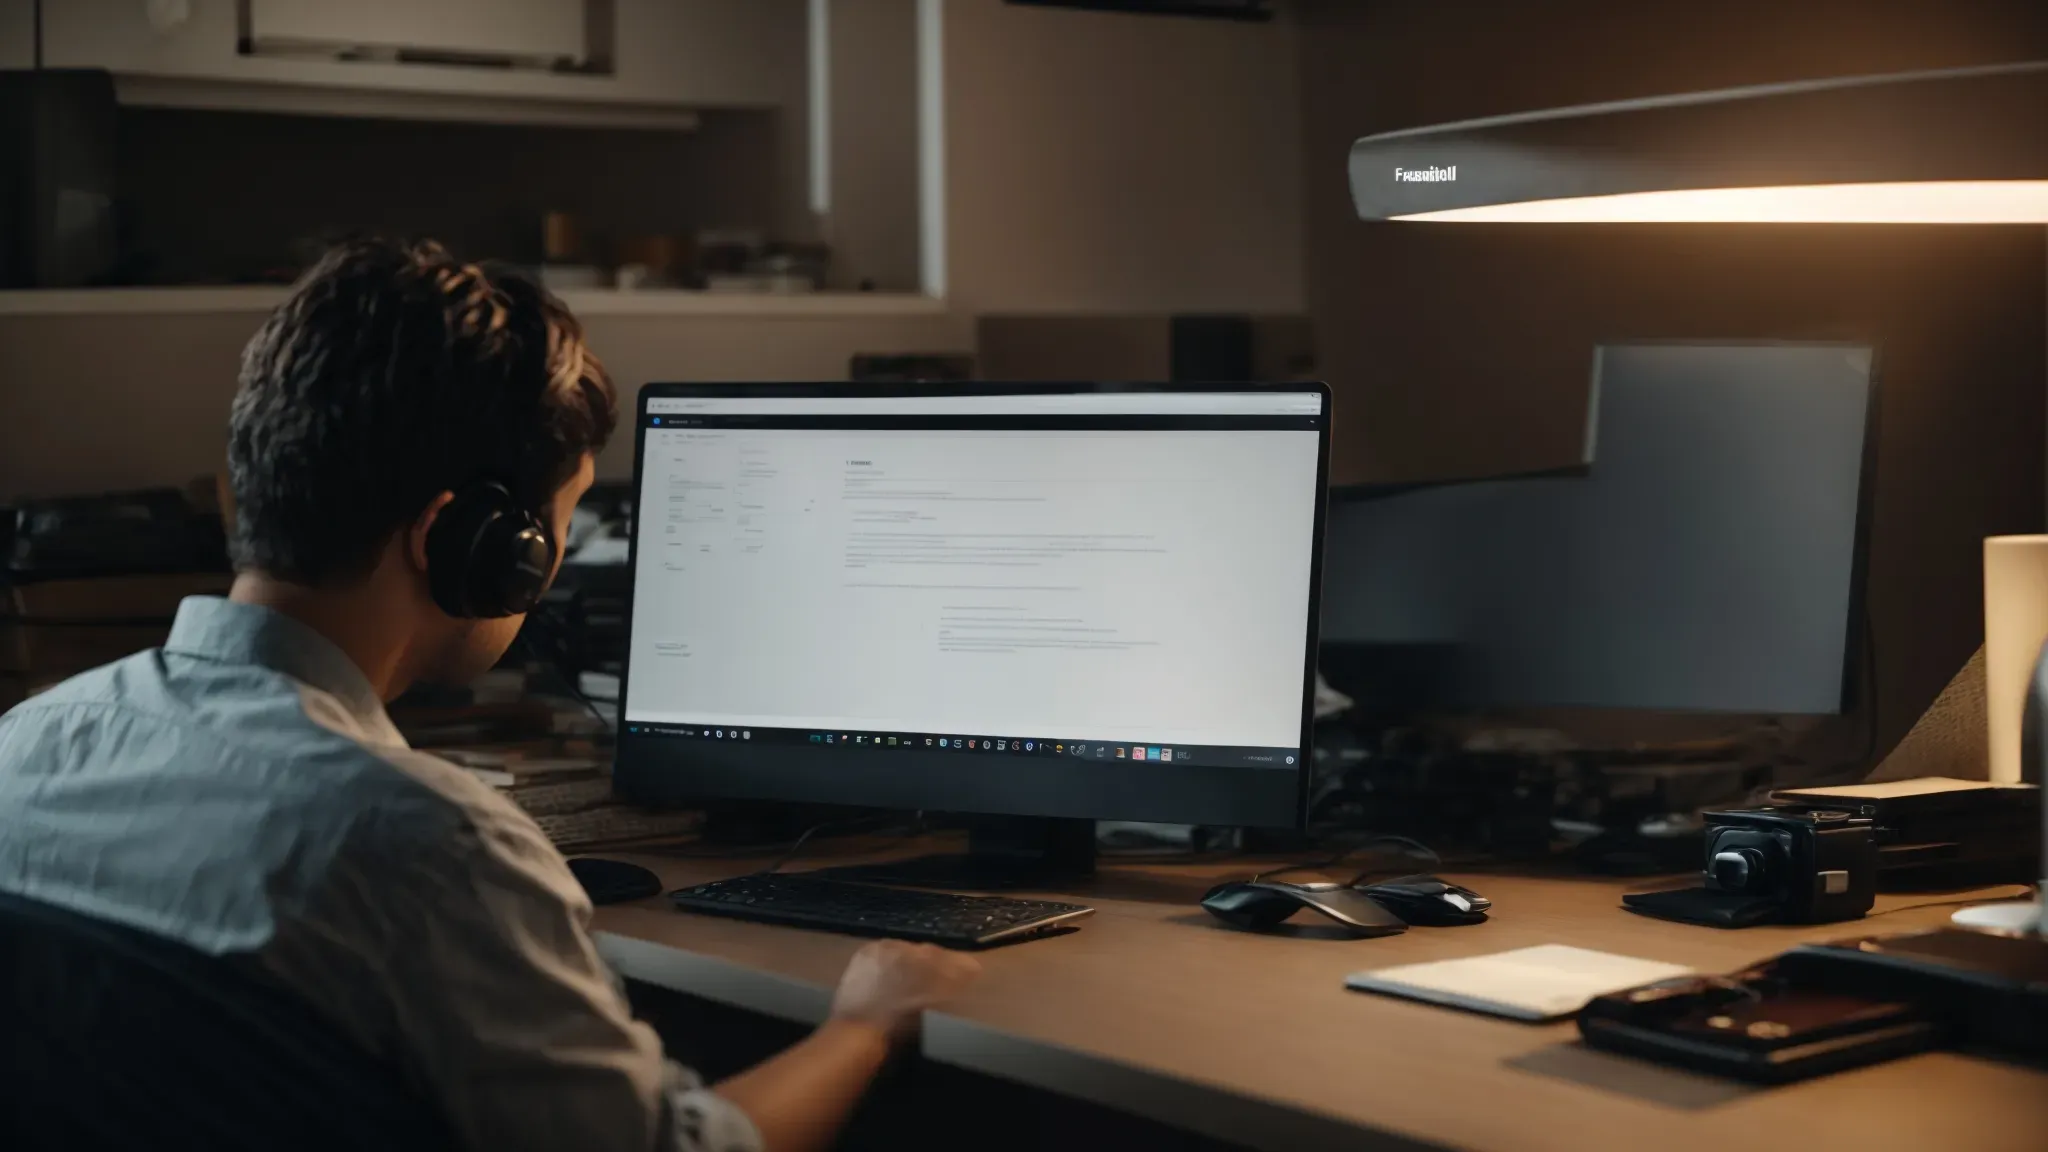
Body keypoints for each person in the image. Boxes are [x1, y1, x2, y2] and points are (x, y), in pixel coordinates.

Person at [0, 237, 980, 1152]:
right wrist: (864, 1026)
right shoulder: (431, 848)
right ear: (471, 543)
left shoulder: (29, 746)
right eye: (553, 527)